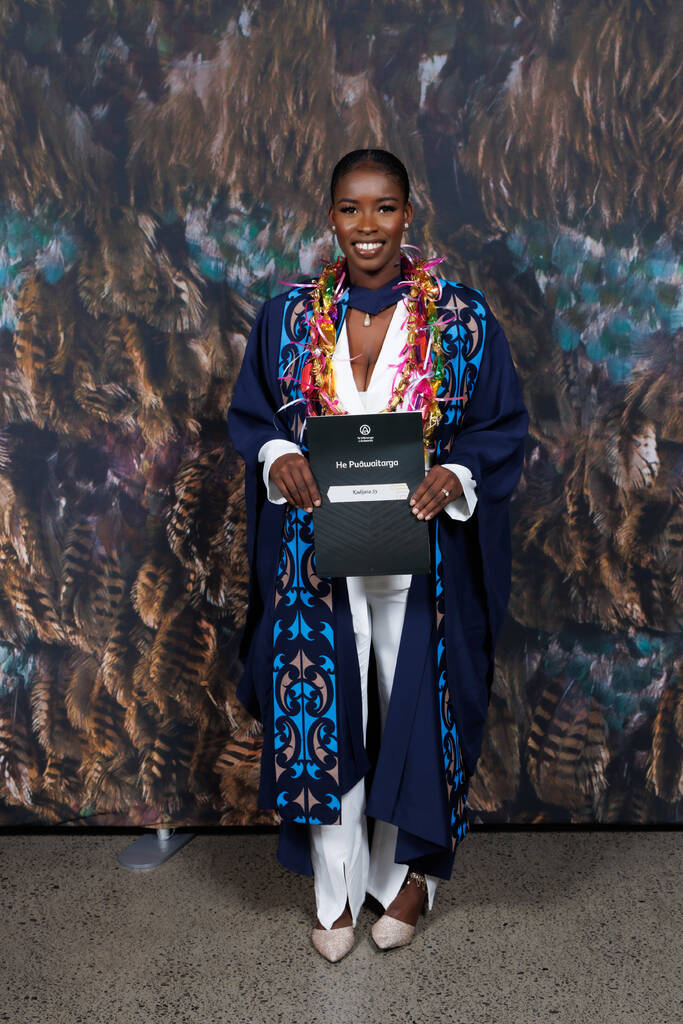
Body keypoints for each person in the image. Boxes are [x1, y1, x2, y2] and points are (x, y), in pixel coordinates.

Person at [227, 148, 528, 962]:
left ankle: (409, 880)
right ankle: (333, 894)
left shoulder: (460, 318)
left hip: (419, 556)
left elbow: (500, 426)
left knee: (411, 716)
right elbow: (253, 415)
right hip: (315, 559)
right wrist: (273, 459)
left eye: (384, 207)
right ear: (330, 217)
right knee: (323, 720)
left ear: (408, 213)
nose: (368, 226)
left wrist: (454, 472)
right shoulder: (287, 317)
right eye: (352, 209)